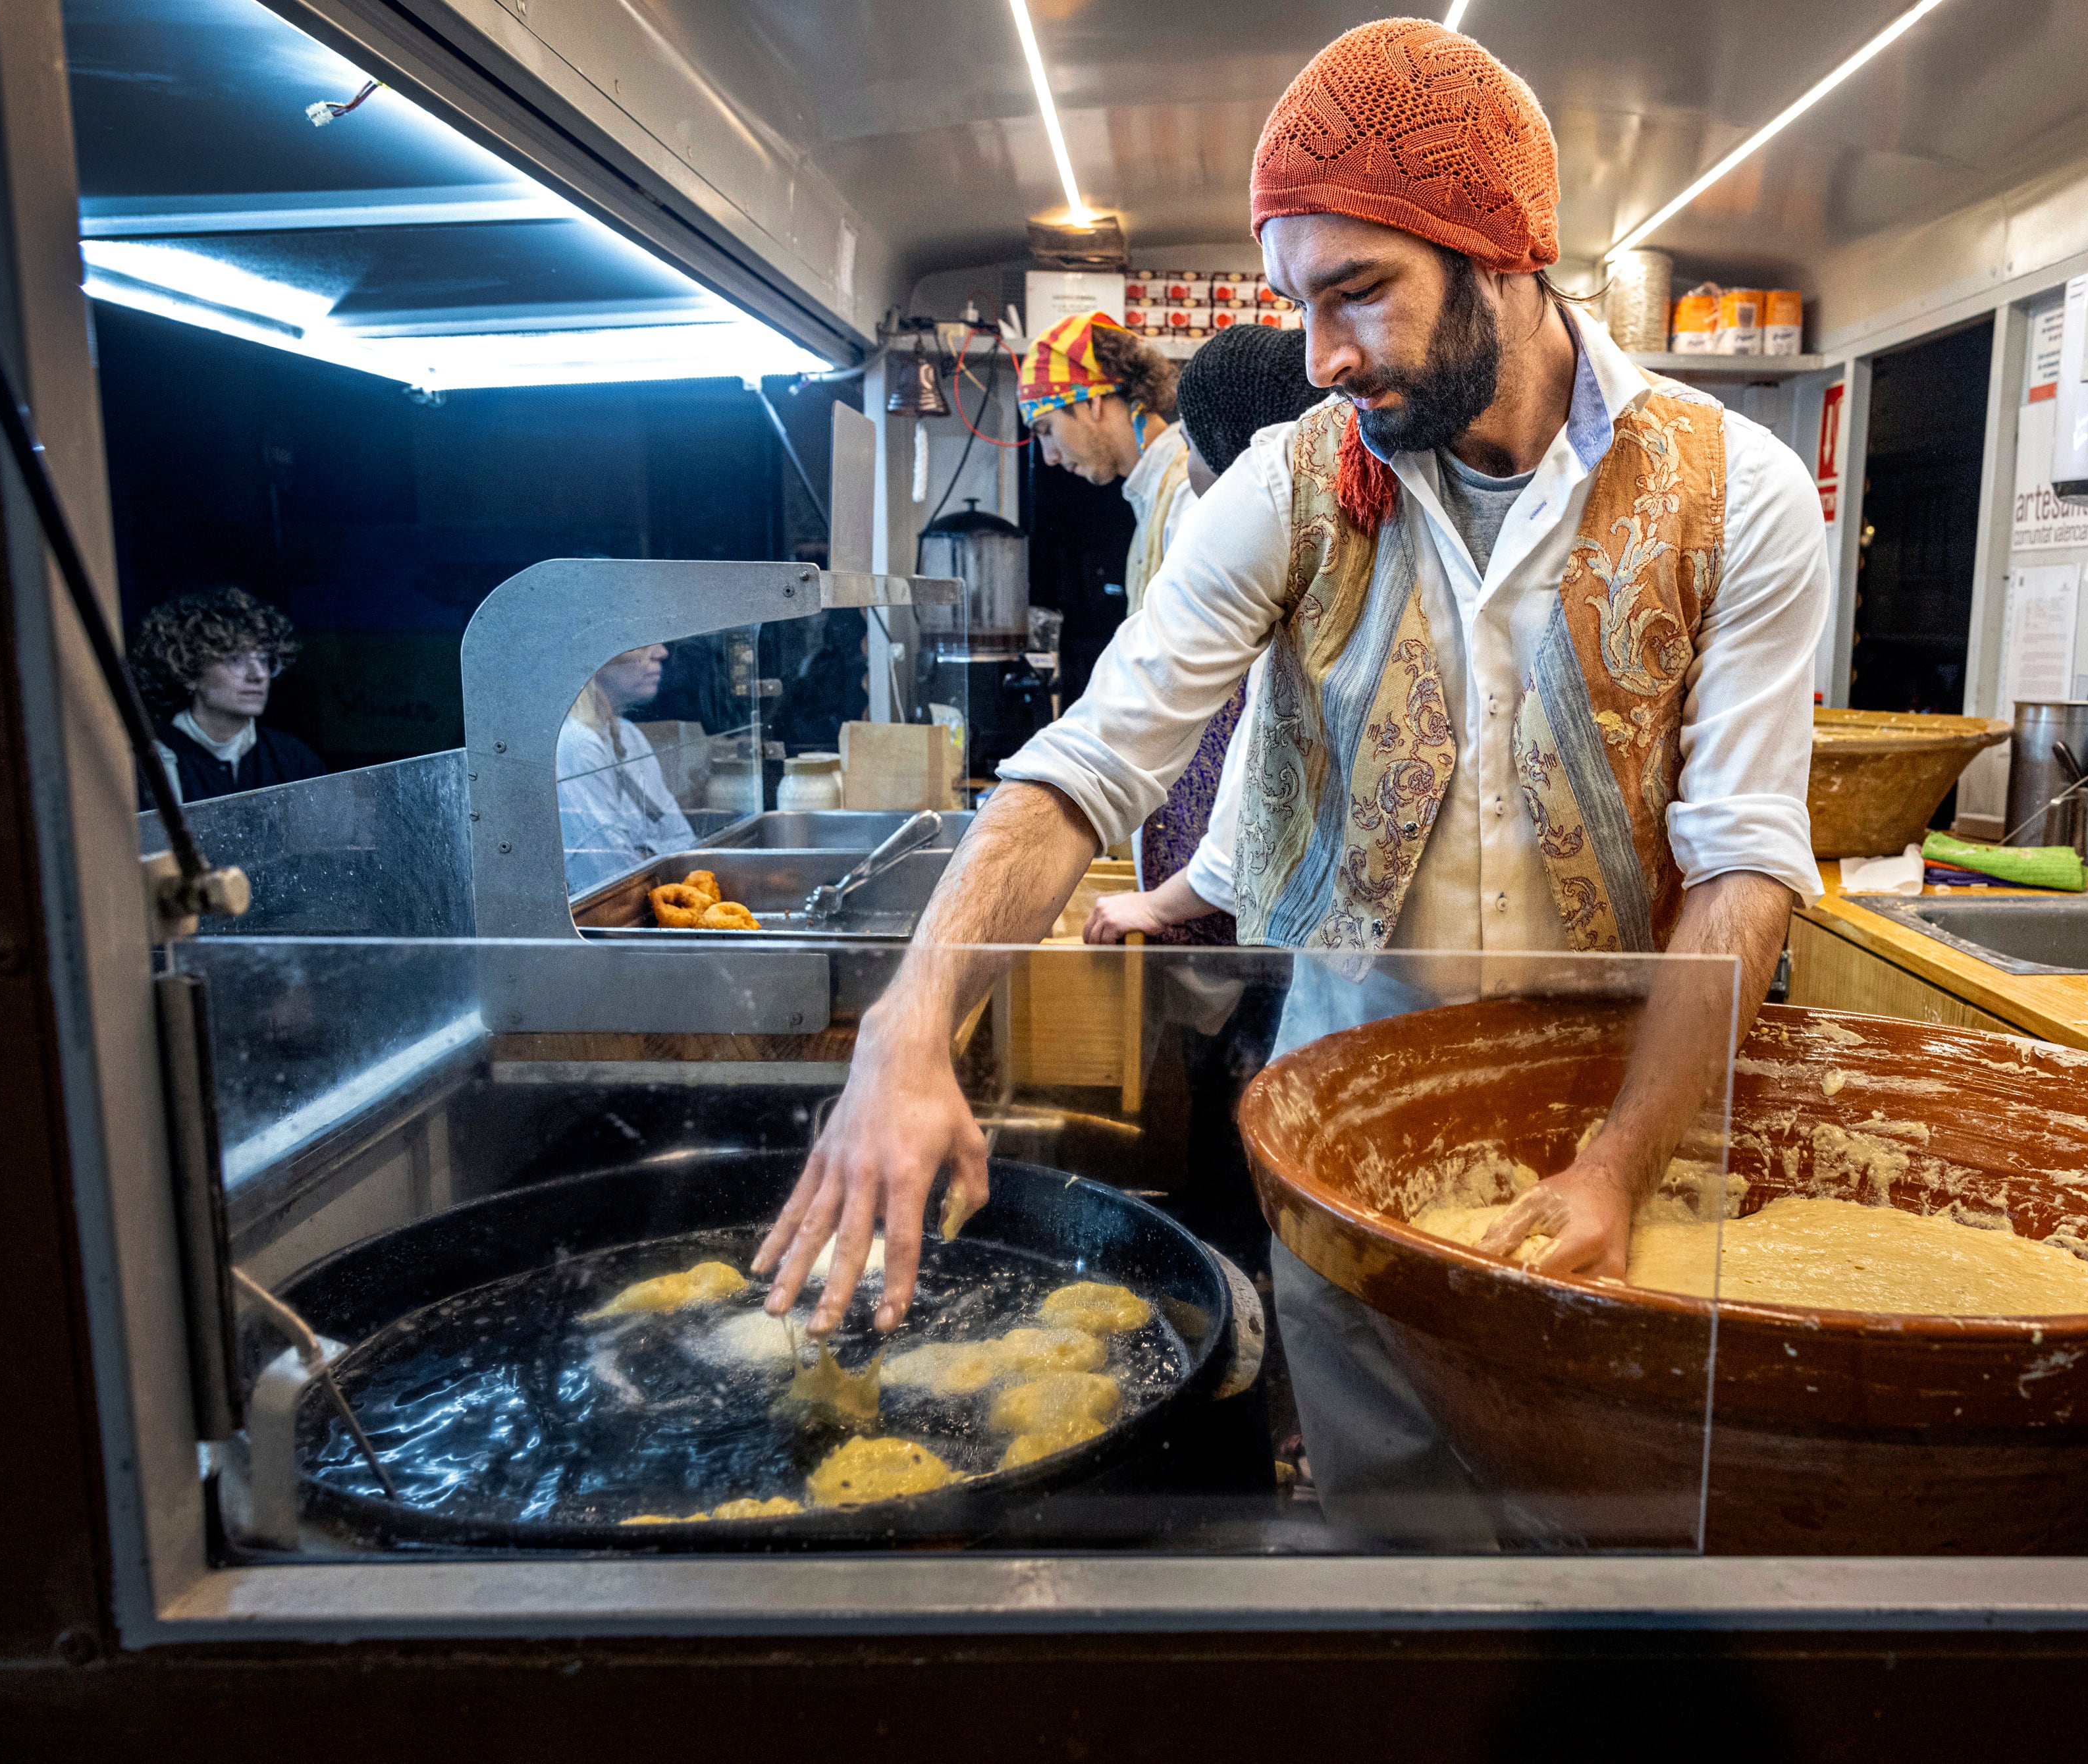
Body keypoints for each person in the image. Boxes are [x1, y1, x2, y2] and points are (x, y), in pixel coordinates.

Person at [757, 19, 1825, 1541]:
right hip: (1349, 1135)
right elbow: (1086, 767)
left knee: (1613, 1561)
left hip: (1630, 1141)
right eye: (1294, 304)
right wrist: (909, 1025)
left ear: (1505, 253)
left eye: (1357, 293)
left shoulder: (1736, 495)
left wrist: (1615, 1161)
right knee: (1396, 1549)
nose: (1318, 356)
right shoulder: (1293, 489)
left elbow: (1738, 866)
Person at [1082, 323, 1326, 946]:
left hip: (1238, 920)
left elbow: (1255, 812)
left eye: (1192, 444)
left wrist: (1161, 906)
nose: (1187, 467)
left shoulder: (1281, 603)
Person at [1017, 311, 1192, 618]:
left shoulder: (1186, 491)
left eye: (1046, 430)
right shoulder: (1152, 490)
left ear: (1092, 402)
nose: (1050, 457)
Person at [128, 586, 326, 805]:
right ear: (189, 672)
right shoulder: (150, 765)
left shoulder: (293, 759)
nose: (259, 675)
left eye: (263, 660)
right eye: (235, 659)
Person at [555, 643, 700, 892]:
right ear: (595, 659)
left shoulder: (629, 735)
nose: (661, 653)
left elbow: (686, 843)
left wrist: (645, 855)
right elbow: (610, 877)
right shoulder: (576, 744)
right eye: (640, 644)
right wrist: (653, 854)